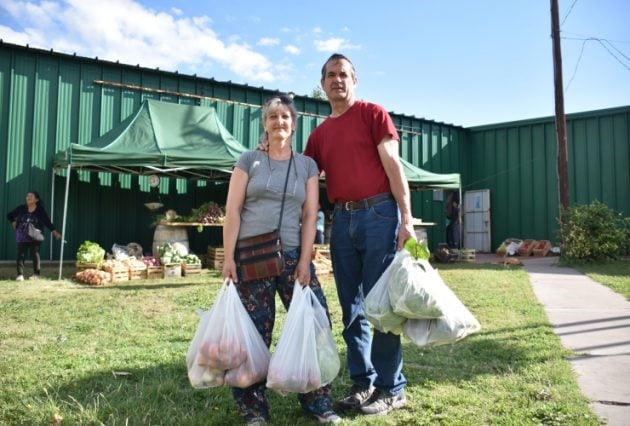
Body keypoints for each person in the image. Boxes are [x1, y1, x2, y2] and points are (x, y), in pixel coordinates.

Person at [303, 53, 415, 416]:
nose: (338, 80)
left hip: (379, 214)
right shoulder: (319, 134)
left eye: (344, 74)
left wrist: (406, 219)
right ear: (322, 85)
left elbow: (393, 165)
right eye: (331, 75)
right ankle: (362, 383)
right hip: (341, 220)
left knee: (380, 305)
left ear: (355, 81)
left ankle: (390, 388)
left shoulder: (373, 114)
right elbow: (303, 174)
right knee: (351, 306)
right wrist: (267, 152)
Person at [222, 95, 341, 425]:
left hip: (291, 256)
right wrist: (228, 257)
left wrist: (305, 260)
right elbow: (232, 210)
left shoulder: (306, 166)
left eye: (285, 116)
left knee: (316, 324)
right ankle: (253, 410)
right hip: (251, 257)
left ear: (293, 123)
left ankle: (317, 402)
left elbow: (310, 213)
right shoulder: (249, 160)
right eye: (273, 116)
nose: (279, 122)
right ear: (265, 123)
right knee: (253, 334)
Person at [7, 191, 61, 280]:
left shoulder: (40, 210)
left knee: (35, 254)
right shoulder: (21, 208)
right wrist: (13, 221)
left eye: (31, 196)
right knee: (21, 254)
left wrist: (54, 231)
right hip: (22, 235)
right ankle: (20, 275)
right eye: (27, 196)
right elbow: (9, 215)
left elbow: (47, 221)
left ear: (36, 199)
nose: (28, 197)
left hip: (35, 235)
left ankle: (36, 274)